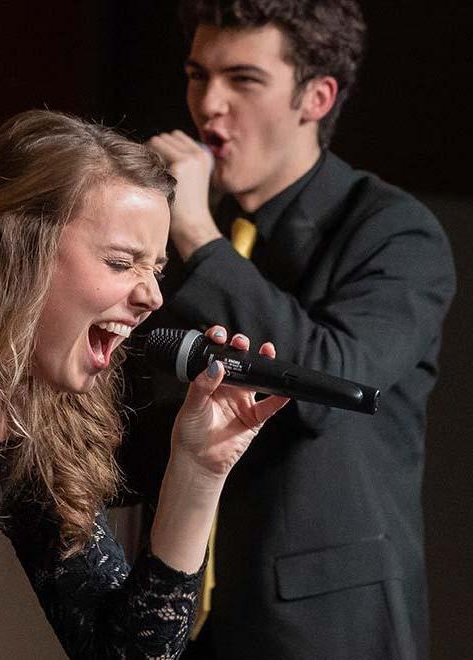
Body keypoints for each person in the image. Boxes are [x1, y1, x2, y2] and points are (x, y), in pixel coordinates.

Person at [0, 109, 289, 659]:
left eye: (155, 269)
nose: (152, 297)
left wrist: (198, 473)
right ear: (18, 249)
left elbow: (128, 656)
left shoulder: (26, 414)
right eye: (120, 262)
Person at [119, 1, 457, 659]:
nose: (209, 104)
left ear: (318, 96)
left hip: (327, 631)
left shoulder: (393, 230)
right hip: (183, 619)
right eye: (197, 75)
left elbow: (333, 381)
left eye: (243, 80)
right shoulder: (188, 237)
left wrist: (196, 233)